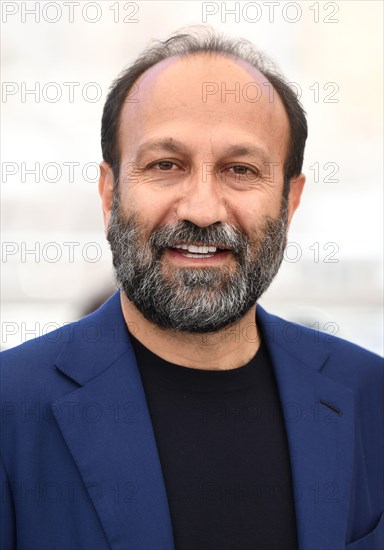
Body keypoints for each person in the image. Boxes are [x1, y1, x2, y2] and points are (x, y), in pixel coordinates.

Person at [1, 27, 383, 550]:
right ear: (110, 193)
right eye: (165, 165)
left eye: (240, 170)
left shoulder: (372, 397)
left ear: (290, 203)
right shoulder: (10, 409)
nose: (202, 209)